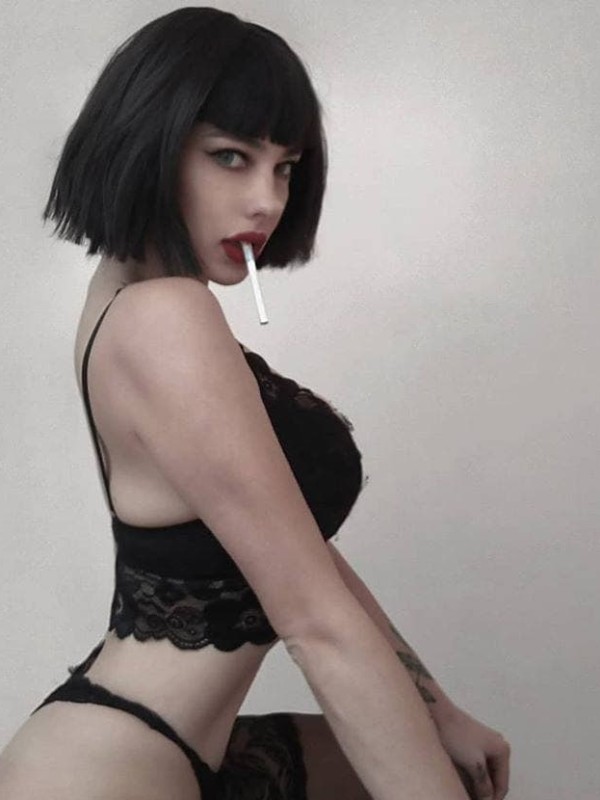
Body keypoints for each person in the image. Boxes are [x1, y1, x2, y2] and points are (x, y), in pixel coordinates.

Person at [0, 7, 510, 800]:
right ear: (150, 141)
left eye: (285, 167)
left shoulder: (132, 297)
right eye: (230, 157)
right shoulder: (165, 317)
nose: (267, 200)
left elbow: (295, 549)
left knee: (457, 773)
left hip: (171, 747)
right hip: (106, 769)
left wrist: (438, 709)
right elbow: (314, 622)